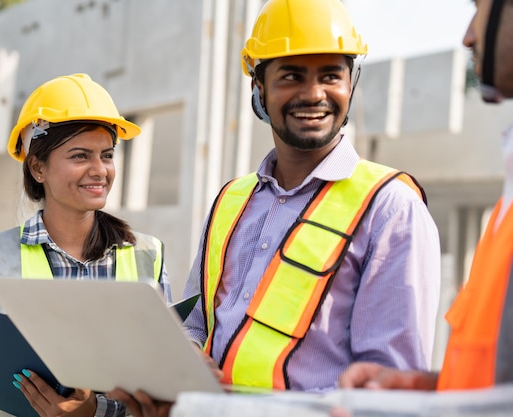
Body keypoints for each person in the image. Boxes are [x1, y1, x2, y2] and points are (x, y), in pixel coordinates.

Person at [181, 0, 441, 393]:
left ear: (350, 83)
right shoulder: (230, 200)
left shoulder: (389, 209)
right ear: (259, 88)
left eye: (331, 75)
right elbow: (196, 325)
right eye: (291, 76)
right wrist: (182, 362)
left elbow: (385, 389)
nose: (314, 94)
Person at [0, 73, 171, 417]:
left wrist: (93, 410)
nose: (100, 170)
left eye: (107, 154)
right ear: (38, 167)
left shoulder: (148, 256)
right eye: (80, 156)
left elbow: (166, 390)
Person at [339, 0, 513, 392]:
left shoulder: (393, 206)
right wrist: (429, 389)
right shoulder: (508, 199)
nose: (468, 34)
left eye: (480, 5)